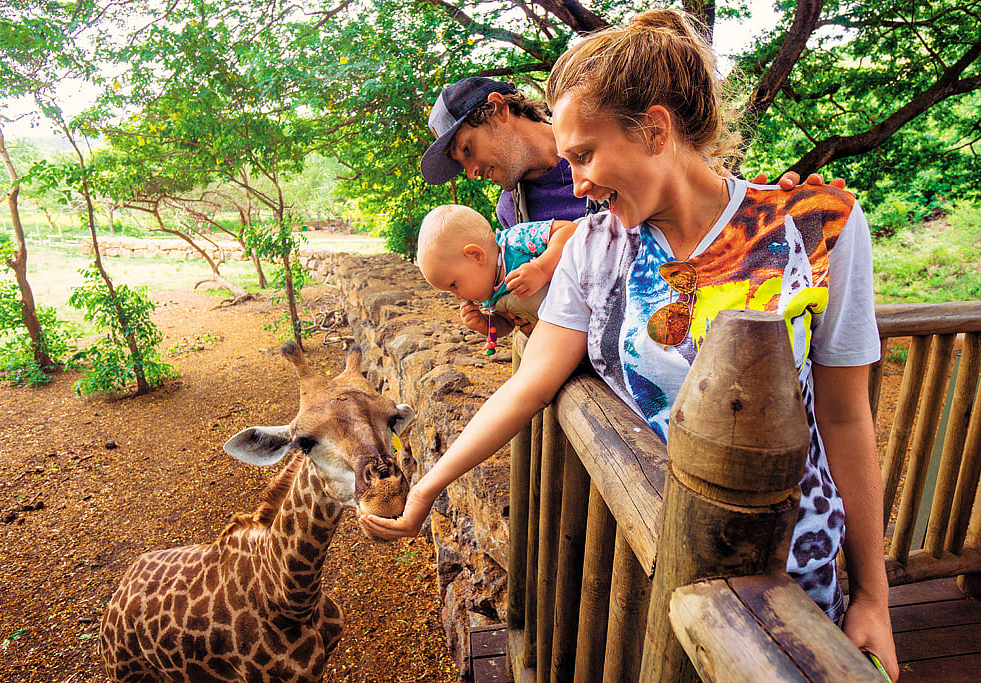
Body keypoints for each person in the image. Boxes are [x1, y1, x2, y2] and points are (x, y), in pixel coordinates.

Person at [371, 9, 898, 679]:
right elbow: (529, 384)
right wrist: (429, 487)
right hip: (652, 561)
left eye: (585, 155)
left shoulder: (820, 228)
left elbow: (848, 418)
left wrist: (874, 596)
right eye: (568, 161)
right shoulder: (595, 249)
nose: (580, 182)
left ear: (654, 129)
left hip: (793, 574)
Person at [418, 77, 844, 228]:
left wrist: (772, 213)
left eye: (467, 150)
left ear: (497, 109)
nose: (471, 171)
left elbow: (706, 208)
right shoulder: (514, 215)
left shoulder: (621, 144)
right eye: (461, 165)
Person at [417, 204, 577, 339]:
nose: (458, 297)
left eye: (454, 285)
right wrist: (485, 323)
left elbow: (569, 230)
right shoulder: (491, 293)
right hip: (565, 331)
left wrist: (541, 268)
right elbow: (507, 324)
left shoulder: (516, 240)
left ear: (476, 256)